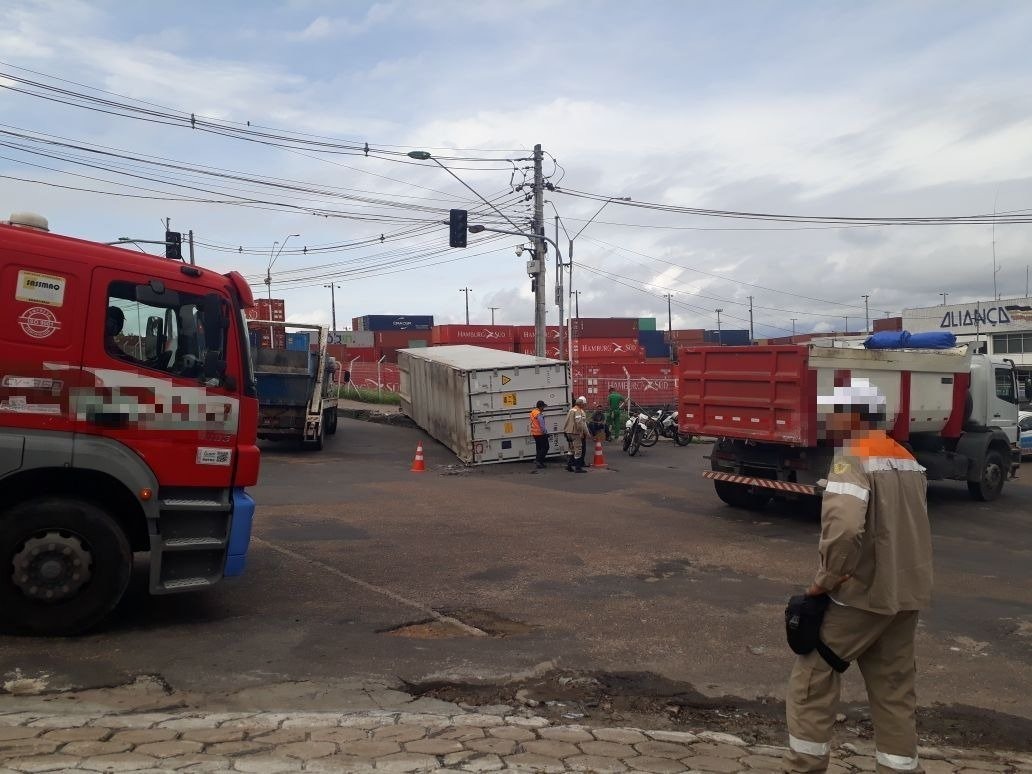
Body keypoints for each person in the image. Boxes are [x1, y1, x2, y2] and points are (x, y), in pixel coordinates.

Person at [785, 378, 932, 774]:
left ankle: (804, 766)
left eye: (833, 413)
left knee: (813, 678)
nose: (827, 422)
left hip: (860, 598)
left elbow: (846, 528)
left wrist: (825, 580)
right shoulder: (906, 458)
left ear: (854, 416)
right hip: (905, 598)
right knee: (894, 692)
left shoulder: (853, 457)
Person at [562, 396, 591, 473]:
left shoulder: (571, 410)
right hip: (575, 432)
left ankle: (569, 466)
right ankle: (578, 468)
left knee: (571, 449)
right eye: (584, 404)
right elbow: (580, 423)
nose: (584, 405)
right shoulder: (578, 411)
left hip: (568, 432)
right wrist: (584, 433)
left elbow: (567, 421)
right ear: (581, 404)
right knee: (578, 449)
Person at [529, 400, 550, 469]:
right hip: (540, 433)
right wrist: (545, 433)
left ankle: (539, 462)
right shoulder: (539, 414)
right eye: (543, 407)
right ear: (540, 407)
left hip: (535, 433)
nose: (544, 408)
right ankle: (538, 461)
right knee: (546, 447)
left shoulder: (533, 412)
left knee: (539, 448)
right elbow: (542, 425)